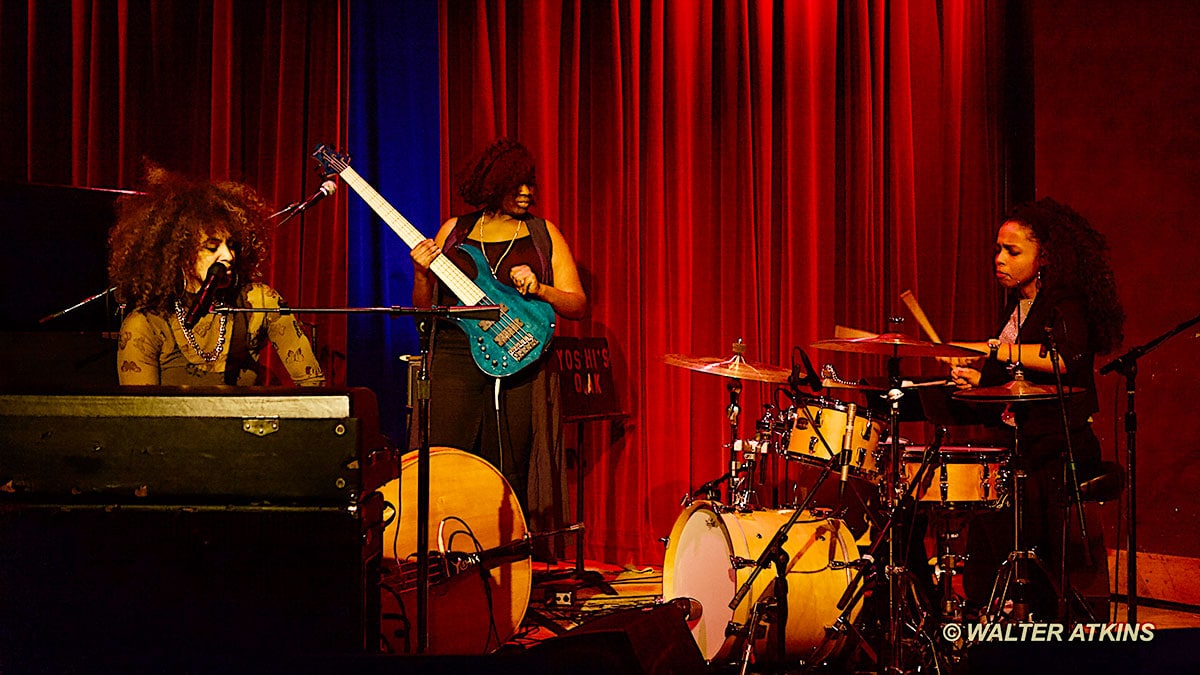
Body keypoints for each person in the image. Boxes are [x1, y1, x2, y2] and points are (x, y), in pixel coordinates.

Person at [940, 197, 1124, 620]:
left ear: (1044, 256)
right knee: (990, 528)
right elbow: (1017, 376)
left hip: (1058, 450)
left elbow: (1063, 359)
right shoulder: (1018, 306)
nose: (999, 259)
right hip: (1023, 446)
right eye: (998, 249)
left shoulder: (1065, 301)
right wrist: (980, 381)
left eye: (1012, 251)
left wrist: (992, 350)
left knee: (1029, 545)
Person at [410, 138, 587, 520]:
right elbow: (424, 313)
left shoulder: (543, 233)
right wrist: (421, 274)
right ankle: (443, 551)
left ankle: (505, 555)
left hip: (518, 363)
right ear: (493, 185)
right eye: (515, 185)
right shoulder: (455, 231)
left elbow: (578, 304)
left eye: (530, 184)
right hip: (454, 359)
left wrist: (542, 288)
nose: (527, 193)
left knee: (509, 464)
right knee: (446, 458)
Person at [109, 164, 325, 387]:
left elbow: (314, 387)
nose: (228, 256)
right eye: (212, 247)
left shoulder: (258, 302)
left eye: (231, 245)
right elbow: (140, 414)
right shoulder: (146, 323)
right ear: (180, 254)